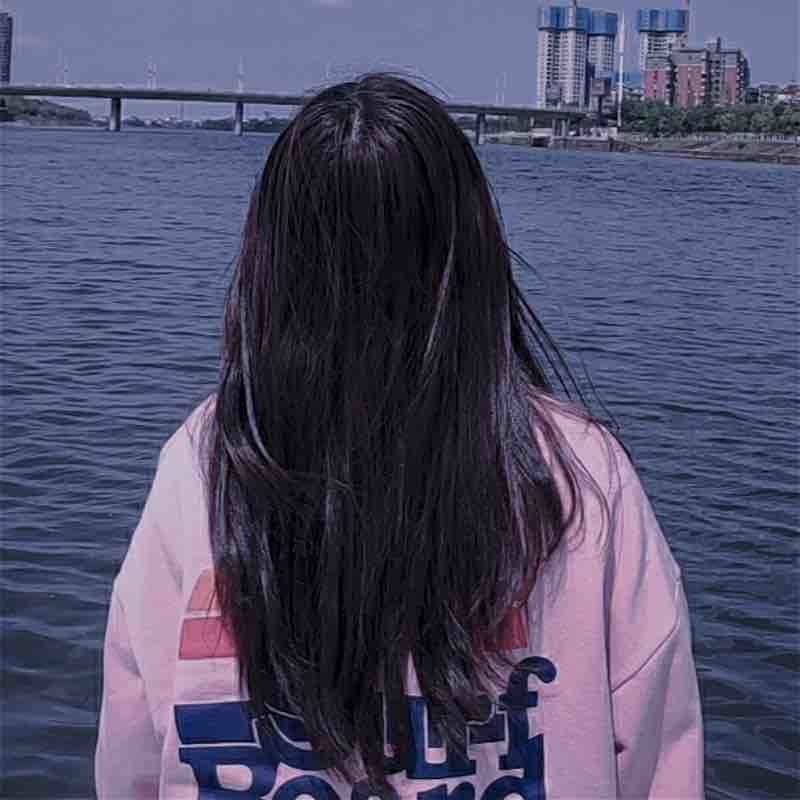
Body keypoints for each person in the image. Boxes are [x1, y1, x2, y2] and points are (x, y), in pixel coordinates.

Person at [95, 74, 704, 799]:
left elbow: (133, 747)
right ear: (474, 248)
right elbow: (657, 754)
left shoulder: (208, 461)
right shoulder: (580, 472)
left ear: (272, 252)